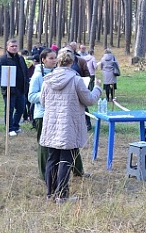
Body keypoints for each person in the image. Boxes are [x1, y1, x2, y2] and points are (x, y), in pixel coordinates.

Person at [39, 49, 101, 203]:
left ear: (58, 62)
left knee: (52, 159)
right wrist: (98, 88)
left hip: (52, 124)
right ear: (72, 62)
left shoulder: (47, 80)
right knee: (66, 160)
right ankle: (62, 195)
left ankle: (50, 194)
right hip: (69, 125)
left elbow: (43, 102)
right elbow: (89, 100)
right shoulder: (76, 80)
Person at [28, 48, 57, 179]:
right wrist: (46, 94)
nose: (54, 60)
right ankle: (44, 174)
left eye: (55, 58)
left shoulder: (57, 73)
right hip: (42, 114)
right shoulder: (37, 76)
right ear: (43, 60)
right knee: (44, 145)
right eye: (51, 58)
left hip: (57, 114)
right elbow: (31, 97)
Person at [0, 38, 30, 136]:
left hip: (21, 89)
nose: (14, 48)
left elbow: (25, 72)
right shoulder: (3, 59)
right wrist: (5, 86)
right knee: (9, 110)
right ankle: (9, 129)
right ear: (7, 47)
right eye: (12, 46)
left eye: (16, 46)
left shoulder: (21, 58)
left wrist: (26, 83)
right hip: (9, 90)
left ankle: (15, 126)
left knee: (21, 108)